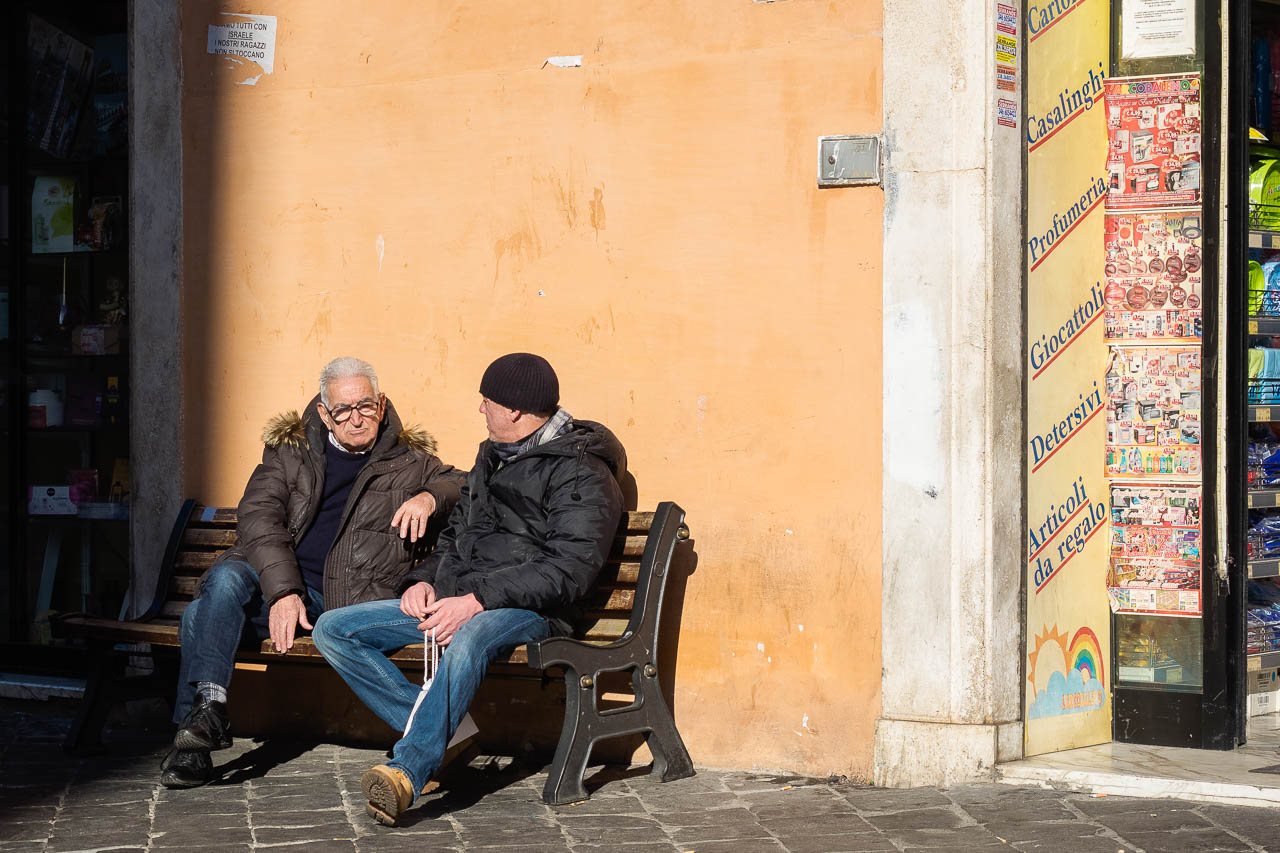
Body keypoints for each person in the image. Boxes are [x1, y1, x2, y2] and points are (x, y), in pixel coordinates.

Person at [313, 353, 626, 826]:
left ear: (516, 411)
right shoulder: (491, 457)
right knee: (335, 629)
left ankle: (407, 770)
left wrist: (477, 599)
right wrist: (422, 581)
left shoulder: (582, 472)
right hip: (461, 597)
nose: (481, 410)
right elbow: (457, 537)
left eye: (488, 402)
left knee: (473, 633)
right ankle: (451, 735)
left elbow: (569, 570)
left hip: (532, 608)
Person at [160, 356, 466, 789]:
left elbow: (466, 485)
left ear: (380, 405)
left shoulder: (410, 461)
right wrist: (284, 591)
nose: (356, 419)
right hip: (276, 586)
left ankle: (192, 743)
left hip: (340, 600)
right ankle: (207, 715)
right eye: (343, 410)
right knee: (227, 579)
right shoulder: (291, 453)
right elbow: (259, 518)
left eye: (365, 406)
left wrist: (431, 497)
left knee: (197, 617)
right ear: (324, 413)